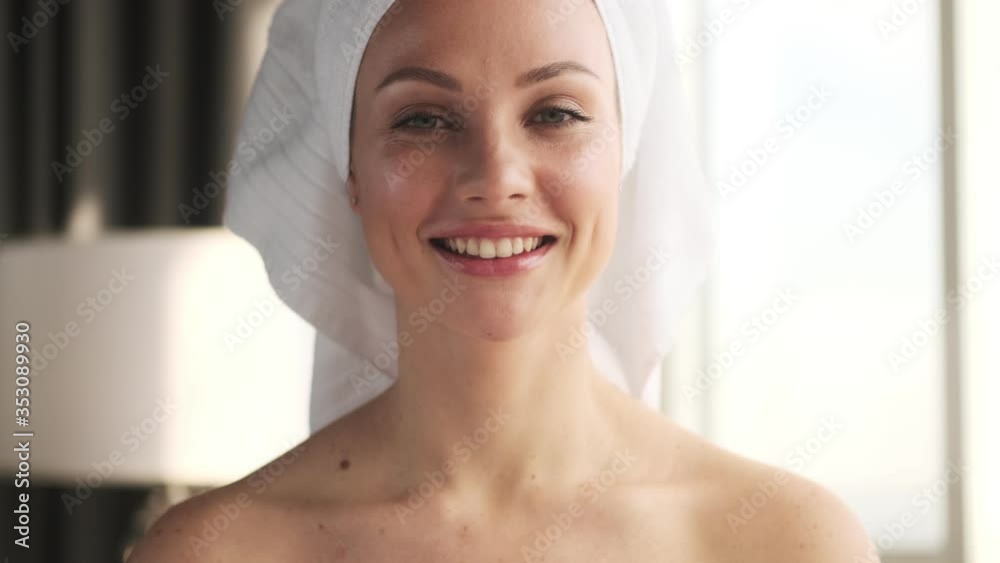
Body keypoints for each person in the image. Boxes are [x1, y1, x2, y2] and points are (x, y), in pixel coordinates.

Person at [128, 0, 878, 561]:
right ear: (347, 169)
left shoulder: (787, 542)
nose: (497, 178)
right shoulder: (216, 552)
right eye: (423, 120)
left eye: (554, 112)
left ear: (627, 152)